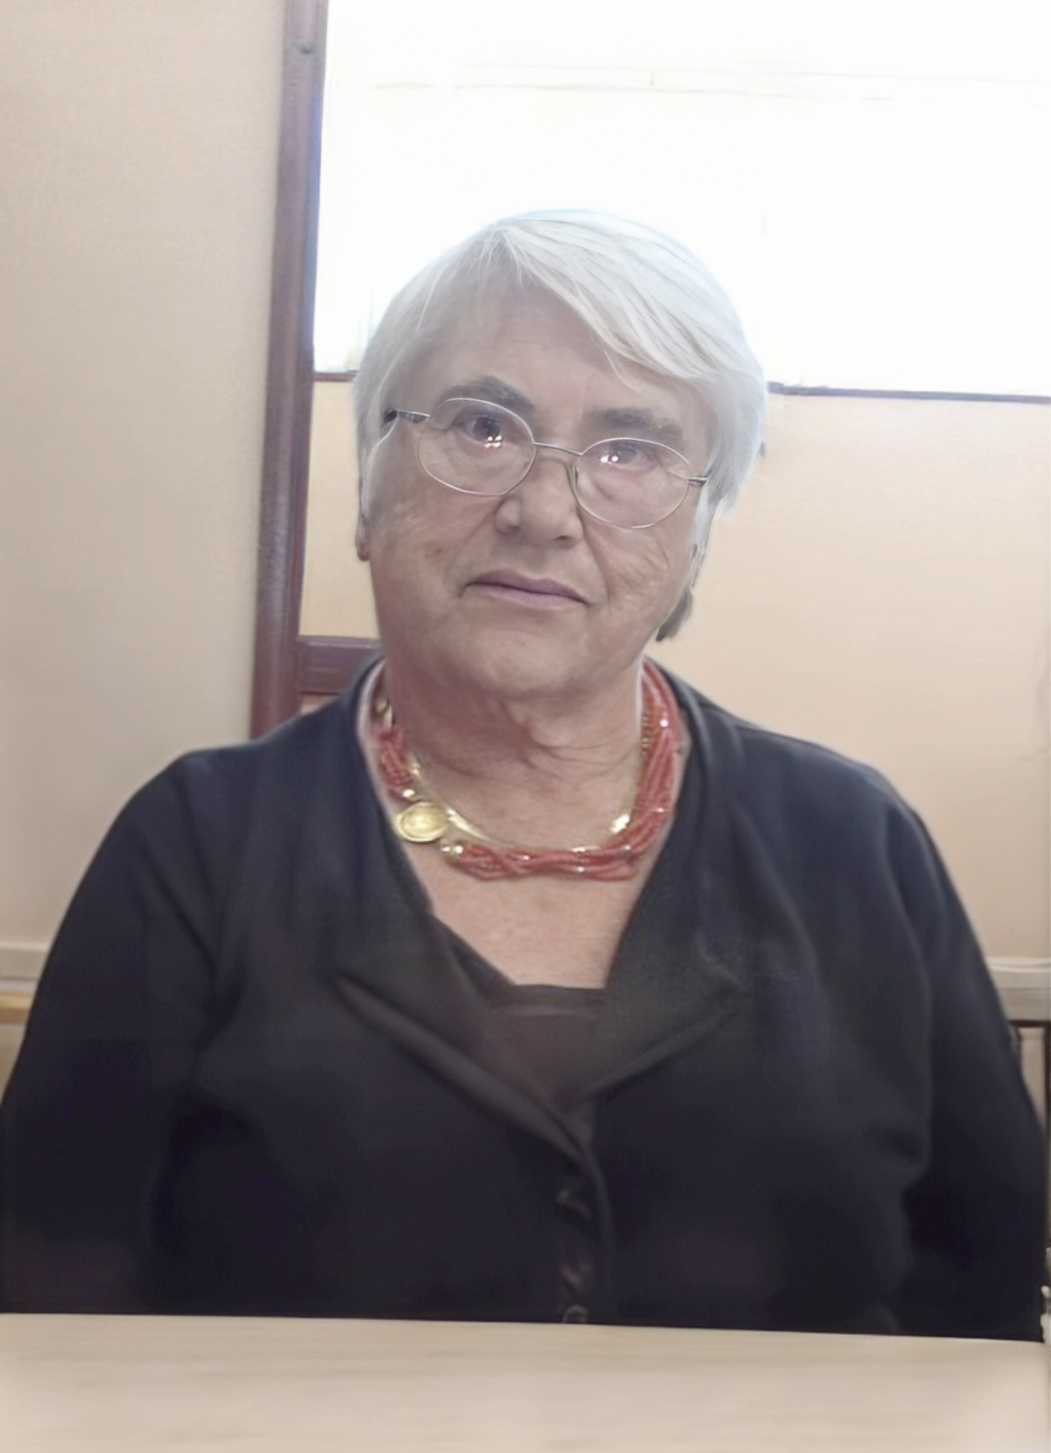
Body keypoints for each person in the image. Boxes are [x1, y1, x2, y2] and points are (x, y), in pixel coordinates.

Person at [1, 211, 1045, 1338]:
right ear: (367, 493)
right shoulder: (199, 843)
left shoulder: (853, 843)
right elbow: (48, 1298)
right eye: (482, 426)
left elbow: (980, 1303)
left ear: (696, 537)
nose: (543, 512)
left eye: (630, 451)